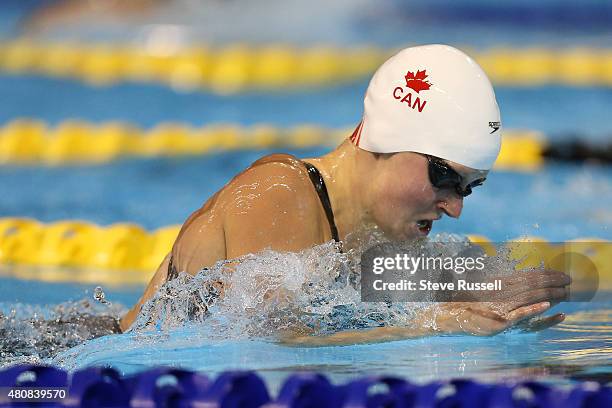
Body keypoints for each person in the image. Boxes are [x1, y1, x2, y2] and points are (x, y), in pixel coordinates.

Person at [119, 45, 570, 342]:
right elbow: (275, 342)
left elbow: (349, 315)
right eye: (444, 177)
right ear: (388, 139)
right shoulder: (279, 193)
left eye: (470, 188)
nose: (455, 208)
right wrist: (441, 324)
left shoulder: (373, 235)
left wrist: (489, 297)